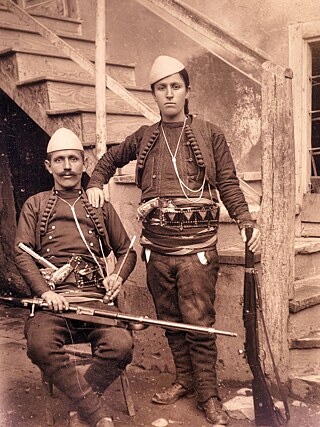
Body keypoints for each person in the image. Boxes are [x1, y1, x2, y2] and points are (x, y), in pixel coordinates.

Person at [86, 55, 261, 425]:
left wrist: (244, 219)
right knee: (171, 320)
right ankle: (184, 380)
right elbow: (109, 159)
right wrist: (95, 183)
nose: (168, 94)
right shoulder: (144, 136)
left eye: (175, 86)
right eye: (161, 88)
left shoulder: (210, 133)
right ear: (153, 94)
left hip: (197, 251)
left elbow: (227, 182)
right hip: (156, 250)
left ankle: (209, 395)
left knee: (198, 322)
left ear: (187, 91)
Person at [15, 128, 137, 427]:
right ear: (49, 166)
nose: (67, 166)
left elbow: (127, 251)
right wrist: (45, 292)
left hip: (95, 300)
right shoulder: (35, 204)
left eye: (73, 159)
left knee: (121, 344)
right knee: (40, 345)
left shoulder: (99, 205)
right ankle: (94, 412)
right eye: (59, 160)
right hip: (52, 304)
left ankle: (79, 407)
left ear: (84, 163)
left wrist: (117, 278)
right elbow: (22, 254)